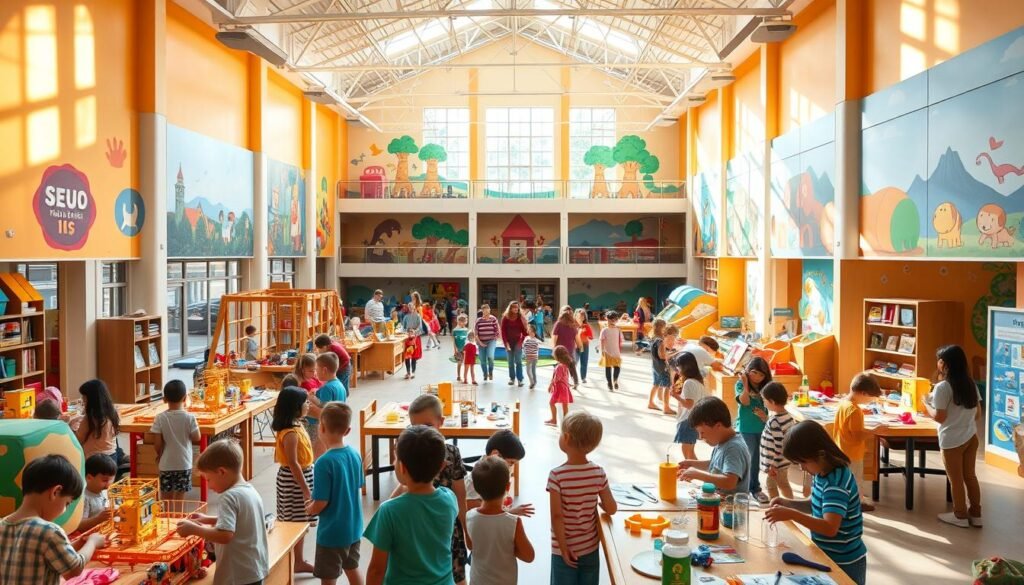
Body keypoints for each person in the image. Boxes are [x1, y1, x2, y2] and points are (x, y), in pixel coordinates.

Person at [766, 422, 867, 585]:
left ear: (820, 454)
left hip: (845, 562)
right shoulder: (822, 473)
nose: (802, 468)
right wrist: (788, 503)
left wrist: (792, 514)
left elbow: (829, 527)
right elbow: (816, 504)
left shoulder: (836, 483)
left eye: (803, 462)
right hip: (826, 555)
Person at [365, 425, 458, 585]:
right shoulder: (449, 499)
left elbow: (376, 570)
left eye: (395, 459)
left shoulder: (389, 511)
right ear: (441, 466)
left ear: (402, 467)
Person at [391, 395, 469, 585]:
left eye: (427, 425)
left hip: (447, 521)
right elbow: (403, 482)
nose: (421, 432)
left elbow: (461, 492)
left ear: (441, 422)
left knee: (457, 572)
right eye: (414, 427)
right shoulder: (410, 452)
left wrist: (466, 529)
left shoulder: (451, 452)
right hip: (417, 520)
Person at [0, 455, 107, 585]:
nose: (65, 510)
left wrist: (79, 543)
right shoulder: (49, 531)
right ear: (55, 492)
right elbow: (74, 569)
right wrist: (92, 542)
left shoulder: (3, 525)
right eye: (67, 503)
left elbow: (50, 554)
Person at [176, 441, 270, 585]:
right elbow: (242, 520)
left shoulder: (229, 497)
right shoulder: (249, 490)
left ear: (221, 472)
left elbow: (225, 535)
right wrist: (209, 519)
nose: (208, 485)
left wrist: (194, 529)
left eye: (209, 479)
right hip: (253, 570)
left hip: (237, 576)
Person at [548, 412, 616, 585]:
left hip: (564, 549)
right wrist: (598, 502)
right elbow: (612, 508)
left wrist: (564, 548)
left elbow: (557, 516)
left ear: (567, 438)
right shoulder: (598, 472)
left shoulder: (557, 476)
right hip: (590, 547)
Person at [925, 345, 983, 528]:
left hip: (951, 440)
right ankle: (976, 513)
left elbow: (939, 417)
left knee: (956, 479)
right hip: (970, 437)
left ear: (946, 364)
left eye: (940, 360)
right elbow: (977, 414)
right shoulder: (970, 383)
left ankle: (959, 515)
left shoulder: (943, 387)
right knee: (970, 476)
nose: (938, 363)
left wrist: (925, 405)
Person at [306, 403, 365, 585]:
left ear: (321, 427)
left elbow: (321, 502)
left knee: (329, 576)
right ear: (347, 430)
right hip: (353, 528)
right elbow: (358, 485)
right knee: (352, 567)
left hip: (332, 533)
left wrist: (310, 509)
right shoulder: (355, 455)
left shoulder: (324, 462)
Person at [466, 456, 536, 585]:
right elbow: (528, 556)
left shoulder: (469, 517)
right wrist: (508, 549)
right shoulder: (513, 522)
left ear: (476, 488)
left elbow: (471, 546)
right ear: (508, 486)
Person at [273, 387, 317, 573]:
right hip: (294, 482)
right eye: (305, 402)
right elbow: (293, 463)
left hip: (301, 477)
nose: (308, 405)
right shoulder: (290, 433)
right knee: (295, 522)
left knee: (301, 521)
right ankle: (296, 560)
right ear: (295, 407)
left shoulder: (297, 424)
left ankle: (297, 559)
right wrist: (306, 490)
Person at [830, 373, 884, 512]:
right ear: (863, 393)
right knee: (856, 480)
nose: (870, 401)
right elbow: (858, 436)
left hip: (841, 449)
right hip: (852, 453)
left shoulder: (844, 403)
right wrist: (874, 431)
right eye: (870, 398)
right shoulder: (855, 411)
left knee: (845, 479)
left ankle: (849, 500)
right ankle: (857, 503)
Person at [676, 397, 751, 496]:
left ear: (718, 426)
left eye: (702, 432)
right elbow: (716, 465)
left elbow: (730, 481)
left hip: (730, 507)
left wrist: (698, 475)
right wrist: (692, 464)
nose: (700, 437)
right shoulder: (723, 441)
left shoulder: (734, 448)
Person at [150, 380, 200, 501]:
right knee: (179, 497)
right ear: (185, 398)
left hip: (166, 464)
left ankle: (166, 518)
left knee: (165, 497)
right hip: (184, 463)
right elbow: (197, 437)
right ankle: (177, 518)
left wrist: (159, 455)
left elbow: (157, 443)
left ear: (164, 399)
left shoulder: (160, 418)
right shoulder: (190, 417)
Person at [465, 430, 531, 514]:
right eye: (511, 462)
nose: (511, 467)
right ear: (495, 455)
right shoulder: (475, 480)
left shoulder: (500, 469)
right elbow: (472, 508)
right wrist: (509, 513)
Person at [735, 356, 772, 503]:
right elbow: (745, 401)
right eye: (754, 372)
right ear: (748, 371)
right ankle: (744, 488)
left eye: (761, 374)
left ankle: (754, 488)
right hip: (746, 428)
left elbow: (771, 404)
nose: (757, 377)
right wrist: (745, 384)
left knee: (757, 459)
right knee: (747, 458)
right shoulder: (740, 384)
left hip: (762, 428)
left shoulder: (767, 386)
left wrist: (765, 416)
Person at [759, 381, 796, 499]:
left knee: (771, 485)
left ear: (772, 402)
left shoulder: (774, 421)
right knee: (783, 484)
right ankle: (791, 506)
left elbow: (779, 444)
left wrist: (772, 465)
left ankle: (776, 507)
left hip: (776, 464)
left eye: (764, 400)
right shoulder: (788, 416)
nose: (763, 403)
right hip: (784, 461)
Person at [669, 352, 707, 460]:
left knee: (687, 454)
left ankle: (696, 473)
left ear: (685, 367)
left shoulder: (689, 383)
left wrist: (675, 396)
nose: (677, 369)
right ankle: (700, 473)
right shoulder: (697, 381)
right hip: (694, 419)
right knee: (690, 452)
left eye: (678, 366)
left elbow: (689, 404)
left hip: (687, 420)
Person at [74, 379, 120, 459]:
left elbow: (78, 440)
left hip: (94, 460)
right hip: (112, 457)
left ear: (92, 399)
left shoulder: (90, 418)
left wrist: (72, 427)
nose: (83, 400)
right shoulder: (112, 413)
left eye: (84, 397)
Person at [78, 454, 116, 532]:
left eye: (111, 480)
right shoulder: (84, 498)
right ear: (89, 478)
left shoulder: (105, 492)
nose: (109, 484)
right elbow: (79, 525)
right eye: (105, 480)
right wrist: (98, 519)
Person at [646, 319, 673, 414]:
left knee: (656, 384)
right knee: (667, 386)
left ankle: (650, 402)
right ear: (662, 327)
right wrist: (670, 355)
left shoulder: (653, 337)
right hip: (662, 366)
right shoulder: (660, 340)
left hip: (655, 365)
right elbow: (661, 355)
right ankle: (666, 407)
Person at [545, 346, 575, 427]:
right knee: (565, 406)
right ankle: (566, 423)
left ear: (557, 356)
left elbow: (557, 378)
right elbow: (565, 376)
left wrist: (550, 385)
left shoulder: (559, 366)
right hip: (565, 388)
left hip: (560, 388)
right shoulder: (565, 365)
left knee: (551, 403)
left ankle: (554, 420)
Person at [501, 301, 528, 388]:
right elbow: (503, 332)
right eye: (514, 307)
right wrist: (506, 343)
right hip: (508, 342)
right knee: (510, 362)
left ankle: (520, 379)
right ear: (510, 308)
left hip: (518, 342)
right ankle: (512, 378)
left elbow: (525, 333)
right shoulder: (505, 318)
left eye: (517, 307)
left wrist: (521, 342)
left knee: (518, 361)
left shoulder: (521, 318)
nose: (516, 309)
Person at [551, 307, 580, 388]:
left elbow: (554, 337)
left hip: (560, 350)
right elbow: (576, 337)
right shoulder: (573, 324)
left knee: (560, 366)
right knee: (571, 366)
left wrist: (553, 348)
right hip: (570, 349)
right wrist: (579, 346)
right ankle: (575, 382)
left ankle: (561, 382)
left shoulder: (558, 323)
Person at [597, 311, 623, 391]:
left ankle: (610, 384)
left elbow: (601, 341)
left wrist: (601, 351)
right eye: (613, 319)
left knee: (608, 368)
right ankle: (614, 380)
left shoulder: (604, 330)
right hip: (615, 352)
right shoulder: (618, 329)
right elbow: (621, 340)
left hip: (607, 351)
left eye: (614, 319)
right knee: (617, 367)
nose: (613, 321)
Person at [474, 304, 500, 383]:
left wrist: (495, 338)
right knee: (482, 359)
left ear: (489, 310)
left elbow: (497, 330)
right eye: (484, 310)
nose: (486, 312)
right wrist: (480, 343)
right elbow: (476, 333)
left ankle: (490, 371)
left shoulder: (493, 319)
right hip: (481, 341)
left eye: (487, 310)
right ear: (482, 311)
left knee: (490, 356)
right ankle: (485, 374)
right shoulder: (478, 320)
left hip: (491, 341)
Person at [574, 309, 594, 384]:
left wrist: (587, 333)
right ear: (575, 316)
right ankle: (574, 377)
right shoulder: (573, 325)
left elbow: (591, 337)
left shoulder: (586, 326)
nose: (581, 318)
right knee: (574, 362)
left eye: (583, 316)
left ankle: (583, 377)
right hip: (575, 346)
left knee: (584, 362)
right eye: (579, 316)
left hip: (584, 345)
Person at [522, 324, 542, 390]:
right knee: (528, 371)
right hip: (528, 357)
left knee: (533, 371)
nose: (528, 330)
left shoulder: (537, 340)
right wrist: (524, 354)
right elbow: (523, 347)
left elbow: (538, 347)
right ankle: (532, 382)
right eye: (528, 329)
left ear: (533, 331)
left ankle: (533, 383)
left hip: (534, 357)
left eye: (529, 329)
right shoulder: (526, 338)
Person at [453, 314, 470, 383]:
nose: (463, 323)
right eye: (461, 321)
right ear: (458, 322)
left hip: (465, 349)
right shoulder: (455, 330)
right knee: (459, 362)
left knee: (466, 363)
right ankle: (458, 376)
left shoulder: (467, 330)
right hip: (458, 349)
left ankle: (465, 376)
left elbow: (468, 340)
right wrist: (455, 349)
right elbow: (454, 341)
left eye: (464, 321)